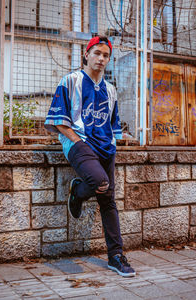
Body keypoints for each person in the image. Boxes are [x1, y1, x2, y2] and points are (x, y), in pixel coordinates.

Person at [44, 35, 136, 277]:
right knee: (100, 183)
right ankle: (77, 191)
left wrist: (114, 144)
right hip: (79, 142)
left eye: (106, 55)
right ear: (86, 54)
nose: (101, 58)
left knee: (109, 200)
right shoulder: (70, 81)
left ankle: (116, 256)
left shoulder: (111, 90)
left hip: (106, 147)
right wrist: (76, 141)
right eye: (97, 53)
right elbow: (59, 121)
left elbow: (113, 124)